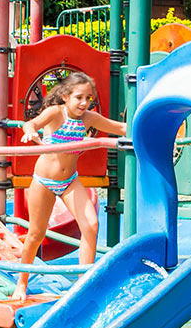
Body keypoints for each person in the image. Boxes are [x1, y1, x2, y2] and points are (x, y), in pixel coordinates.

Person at [12, 72, 126, 301]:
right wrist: (30, 131)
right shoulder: (56, 113)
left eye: (88, 98)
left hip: (69, 181)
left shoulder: (89, 118)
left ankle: (82, 287)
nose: (84, 103)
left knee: (91, 225)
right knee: (35, 234)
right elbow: (32, 123)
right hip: (44, 181)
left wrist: (156, 124)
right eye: (79, 97)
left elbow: (121, 128)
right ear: (65, 96)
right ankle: (21, 285)